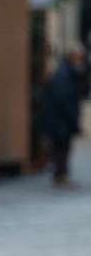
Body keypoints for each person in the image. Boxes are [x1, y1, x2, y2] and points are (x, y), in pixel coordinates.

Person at [39, 44, 87, 187]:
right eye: (79, 58)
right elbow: (64, 100)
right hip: (60, 120)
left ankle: (61, 176)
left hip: (60, 119)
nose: (81, 61)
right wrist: (73, 120)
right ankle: (60, 177)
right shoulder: (64, 74)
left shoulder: (66, 72)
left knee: (62, 148)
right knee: (61, 148)